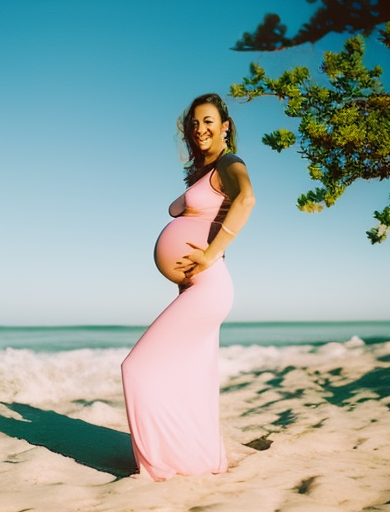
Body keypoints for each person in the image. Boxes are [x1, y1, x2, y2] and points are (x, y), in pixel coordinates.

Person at [121, 93, 255, 481]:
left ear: (225, 125)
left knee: (137, 367)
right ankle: (193, 461)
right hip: (195, 289)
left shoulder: (230, 163)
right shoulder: (205, 172)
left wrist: (211, 254)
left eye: (209, 121)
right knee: (191, 379)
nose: (200, 129)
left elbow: (247, 199)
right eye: (194, 123)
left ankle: (159, 465)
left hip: (209, 286)